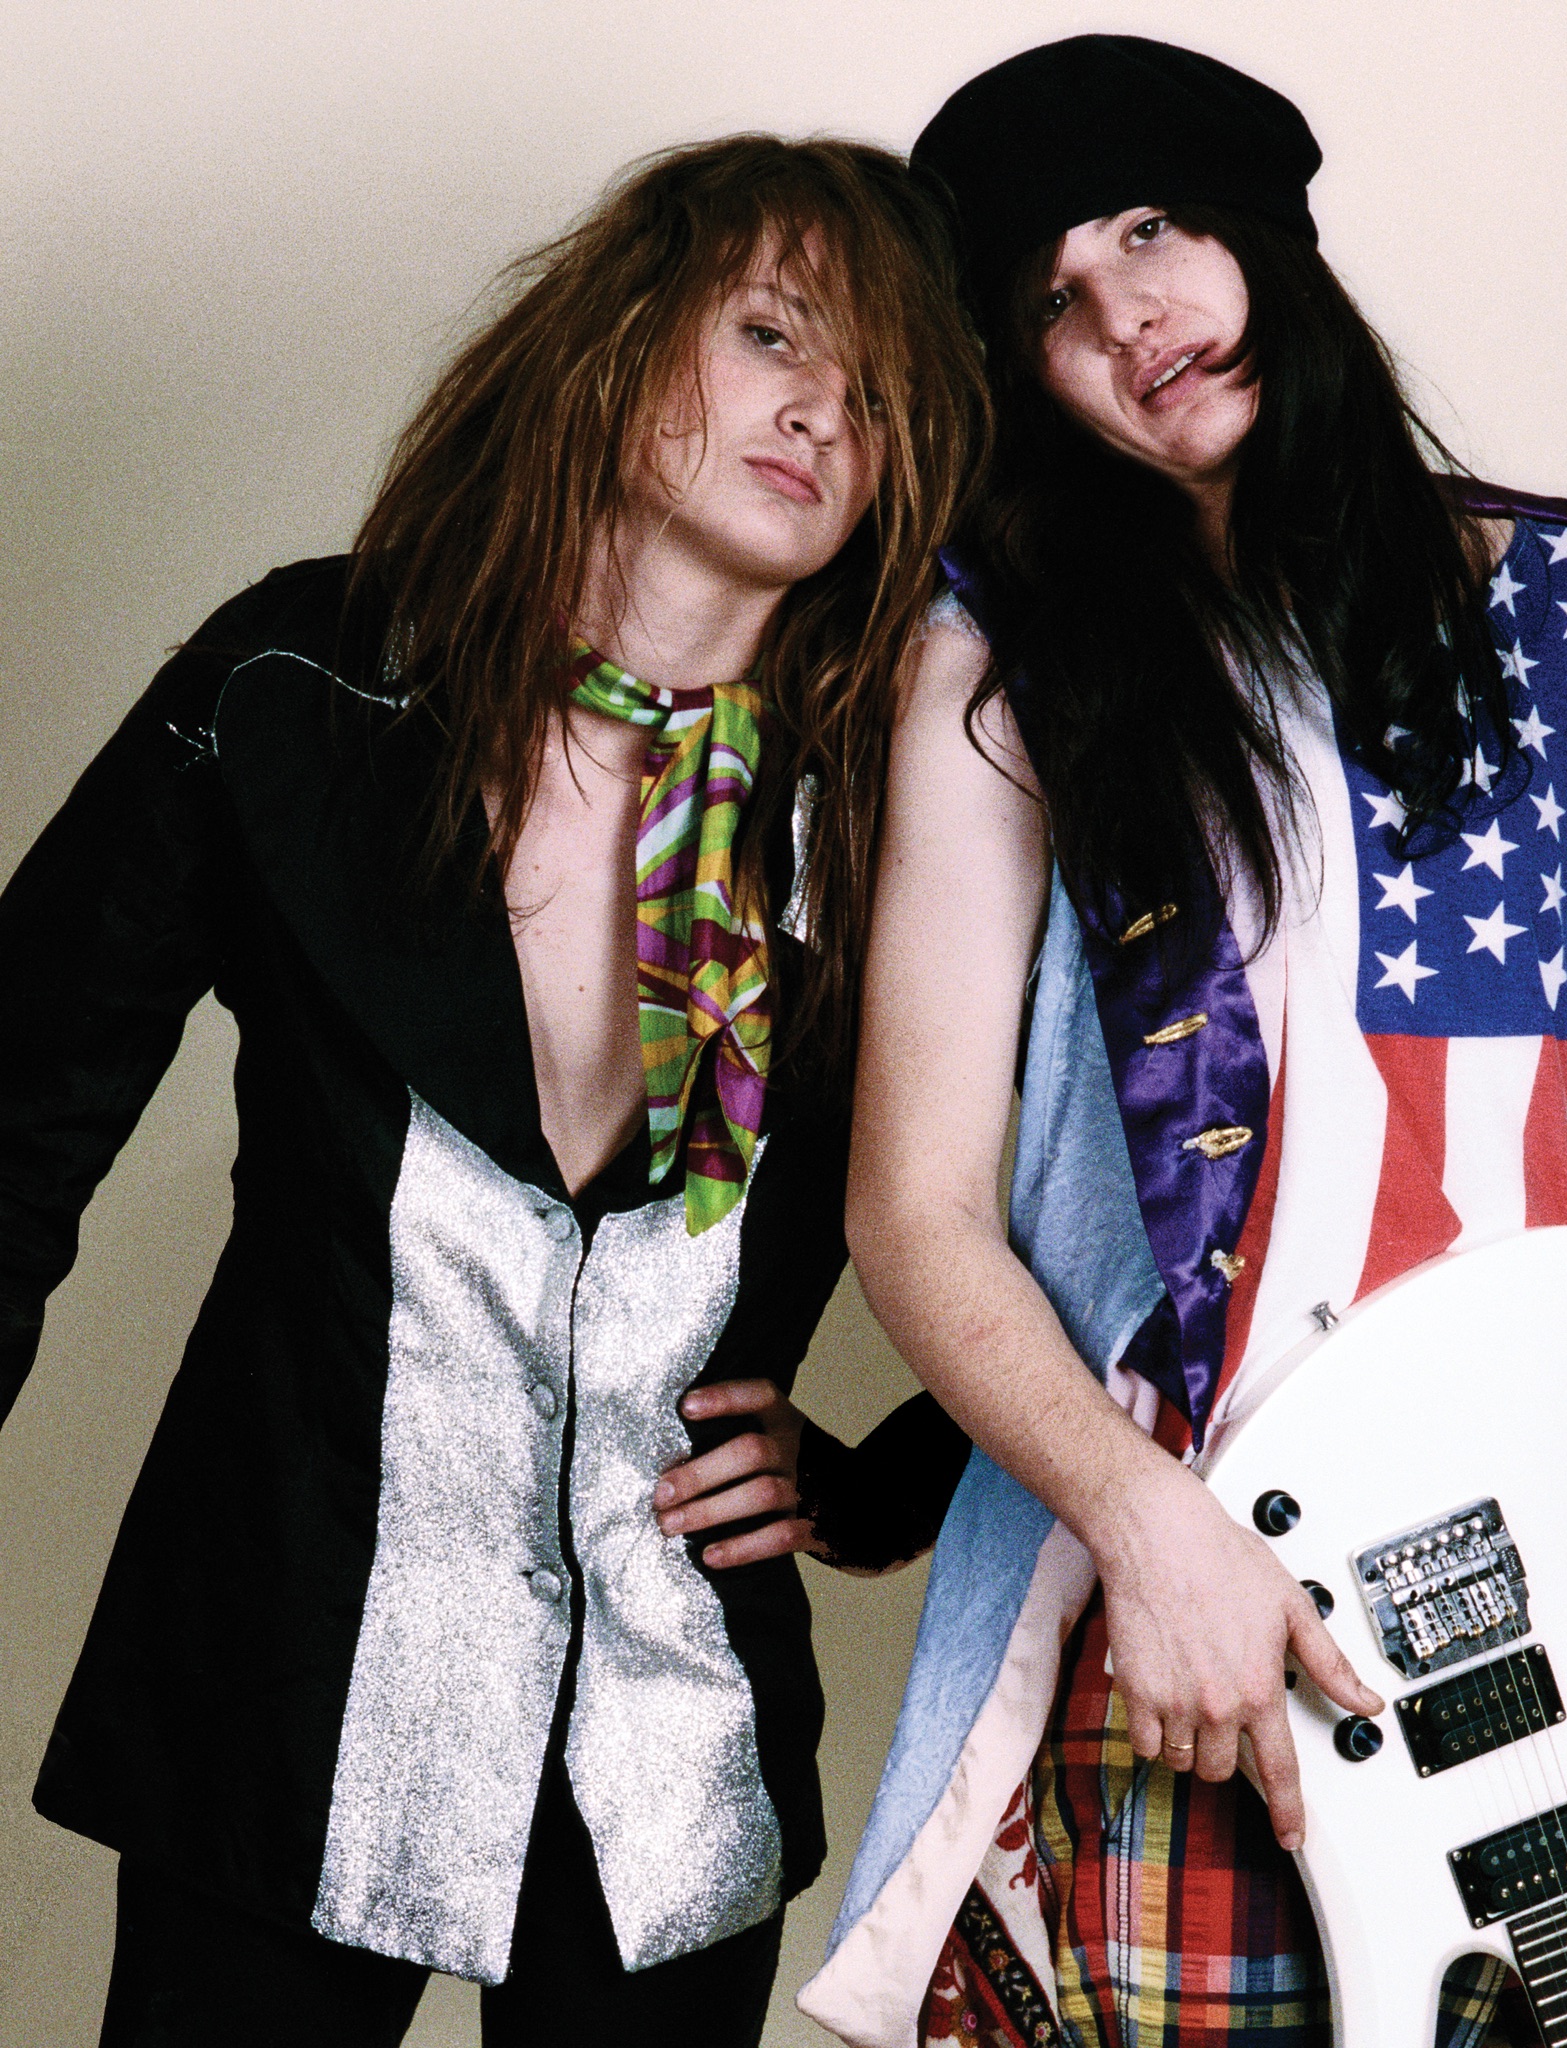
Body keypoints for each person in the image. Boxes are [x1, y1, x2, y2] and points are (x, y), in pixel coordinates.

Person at [799, 37, 1567, 2048]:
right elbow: (912, 1209)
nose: (1129, 318)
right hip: (1200, 1601)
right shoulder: (1002, 665)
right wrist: (1148, 1528)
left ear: (1260, 230)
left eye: (1152, 229)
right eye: (1053, 301)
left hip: (1556, 1603)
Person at [0, 136, 980, 2045]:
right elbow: (13, 1122)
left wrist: (892, 1479)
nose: (819, 415)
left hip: (672, 1753)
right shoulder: (301, 682)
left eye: (879, 399)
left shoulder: (904, 810)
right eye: (775, 333)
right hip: (278, 1695)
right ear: (619, 341)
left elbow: (1142, 1203)